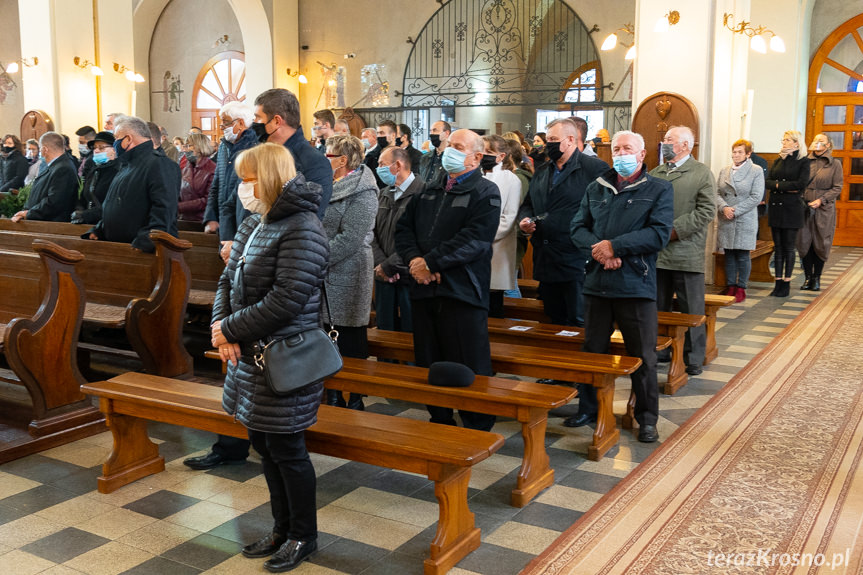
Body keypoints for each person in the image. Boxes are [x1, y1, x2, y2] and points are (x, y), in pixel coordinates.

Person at [211, 142, 328, 572]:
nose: (242, 188)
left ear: (271, 176)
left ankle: (304, 536)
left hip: (285, 356)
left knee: (287, 447)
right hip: (249, 355)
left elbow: (288, 299)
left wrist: (231, 329)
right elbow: (226, 279)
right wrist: (220, 329)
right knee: (262, 441)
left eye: (247, 178)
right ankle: (281, 529)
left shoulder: (303, 226)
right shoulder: (256, 222)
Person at [571, 129, 673, 443]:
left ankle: (646, 418)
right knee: (593, 352)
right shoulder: (597, 186)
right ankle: (588, 408)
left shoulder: (659, 189)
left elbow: (658, 234)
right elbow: (577, 228)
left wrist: (615, 247)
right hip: (598, 283)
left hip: (635, 284)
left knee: (643, 355)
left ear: (642, 154)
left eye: (628, 148)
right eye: (616, 149)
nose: (621, 154)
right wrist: (600, 251)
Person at [394, 128, 500, 432]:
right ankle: (439, 417)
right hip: (424, 290)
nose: (448, 150)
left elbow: (475, 240)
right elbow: (404, 229)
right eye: (448, 144)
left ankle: (477, 424)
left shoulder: (485, 192)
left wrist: (431, 262)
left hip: (462, 291)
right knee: (430, 359)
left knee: (468, 361)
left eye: (457, 146)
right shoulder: (429, 189)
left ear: (476, 157)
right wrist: (416, 262)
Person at [517, 118, 609, 329]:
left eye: (553, 139)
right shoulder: (542, 171)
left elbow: (606, 212)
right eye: (547, 139)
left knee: (578, 321)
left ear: (570, 140)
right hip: (546, 257)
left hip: (577, 258)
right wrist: (525, 219)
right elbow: (529, 203)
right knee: (552, 319)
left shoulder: (594, 169)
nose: (548, 144)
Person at [650, 126, 716, 376]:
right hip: (658, 252)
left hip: (686, 251)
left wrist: (674, 230)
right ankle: (660, 349)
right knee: (658, 306)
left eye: (669, 140)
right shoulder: (656, 173)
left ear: (686, 145)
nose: (663, 143)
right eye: (664, 139)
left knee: (692, 309)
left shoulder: (701, 173)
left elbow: (706, 210)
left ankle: (694, 356)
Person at [320, 135, 378, 409]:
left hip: (349, 269)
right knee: (325, 333)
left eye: (327, 154)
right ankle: (330, 393)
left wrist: (314, 257)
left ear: (342, 160)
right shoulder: (325, 185)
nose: (323, 158)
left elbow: (351, 238)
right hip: (322, 269)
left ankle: (354, 395)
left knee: (347, 332)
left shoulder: (364, 191)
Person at [84, 115, 179, 252]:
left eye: (117, 138)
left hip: (143, 251)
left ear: (128, 139)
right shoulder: (126, 165)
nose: (115, 143)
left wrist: (145, 242)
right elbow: (114, 204)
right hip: (120, 248)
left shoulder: (159, 164)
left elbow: (163, 211)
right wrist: (99, 229)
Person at [252, 88, 333, 218]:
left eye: (257, 117)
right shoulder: (257, 153)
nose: (254, 123)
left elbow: (308, 220)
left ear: (276, 121)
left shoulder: (314, 163)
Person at [372, 146, 423, 334]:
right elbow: (371, 233)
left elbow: (420, 237)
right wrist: (381, 265)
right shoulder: (383, 194)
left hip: (409, 276)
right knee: (385, 332)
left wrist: (391, 265)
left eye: (382, 164)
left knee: (411, 333)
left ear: (398, 165)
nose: (378, 168)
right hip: (383, 277)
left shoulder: (423, 192)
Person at [202, 101, 259, 263]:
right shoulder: (223, 147)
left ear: (240, 123)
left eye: (225, 123)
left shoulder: (256, 148)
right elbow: (217, 183)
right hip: (224, 220)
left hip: (245, 221)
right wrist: (211, 216)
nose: (221, 127)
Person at [715, 139, 765, 302]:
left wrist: (735, 211)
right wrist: (724, 208)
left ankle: (741, 288)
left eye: (740, 152)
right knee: (729, 253)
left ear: (748, 154)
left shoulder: (755, 170)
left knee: (742, 254)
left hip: (744, 217)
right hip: (726, 217)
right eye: (734, 152)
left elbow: (756, 196)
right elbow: (716, 193)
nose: (736, 155)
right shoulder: (725, 170)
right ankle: (730, 286)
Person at [765, 130, 809, 297]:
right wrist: (783, 186)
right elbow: (767, 182)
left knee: (789, 248)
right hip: (776, 208)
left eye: (787, 140)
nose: (783, 142)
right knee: (778, 248)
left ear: (796, 143)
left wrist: (778, 186)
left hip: (792, 210)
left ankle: (786, 283)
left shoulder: (802, 162)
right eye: (783, 139)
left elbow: (800, 184)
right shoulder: (778, 160)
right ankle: (777, 283)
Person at [797, 133, 842, 291]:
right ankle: (807, 277)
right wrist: (802, 198)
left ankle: (817, 278)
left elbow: (837, 187)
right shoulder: (804, 162)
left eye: (821, 141)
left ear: (828, 145)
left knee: (821, 242)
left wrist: (821, 200)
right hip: (804, 207)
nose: (817, 143)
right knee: (804, 242)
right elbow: (799, 183)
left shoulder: (835, 164)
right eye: (815, 140)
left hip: (824, 209)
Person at [481, 134, 521, 317]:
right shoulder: (474, 175)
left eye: (489, 152)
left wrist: (481, 236)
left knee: (493, 299)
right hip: (471, 246)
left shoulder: (511, 180)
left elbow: (509, 217)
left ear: (501, 156)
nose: (483, 155)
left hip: (496, 245)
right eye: (481, 150)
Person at [12, 132, 78, 222]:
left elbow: (54, 201)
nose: (39, 152)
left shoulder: (63, 168)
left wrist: (29, 213)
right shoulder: (54, 165)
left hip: (51, 224)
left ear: (44, 149)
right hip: (41, 220)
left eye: (39, 148)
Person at [72, 131, 118, 225]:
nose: (96, 151)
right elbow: (85, 194)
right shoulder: (94, 170)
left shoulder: (118, 171)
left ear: (114, 149)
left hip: (108, 224)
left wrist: (87, 215)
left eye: (101, 147)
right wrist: (79, 209)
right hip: (89, 223)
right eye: (94, 148)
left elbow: (114, 204)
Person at [179, 133, 216, 222]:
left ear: (199, 147)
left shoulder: (212, 169)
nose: (185, 150)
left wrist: (180, 206)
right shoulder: (187, 167)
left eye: (189, 146)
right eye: (185, 146)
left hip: (202, 219)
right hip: (184, 217)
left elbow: (208, 200)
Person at [364, 120, 397, 189]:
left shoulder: (402, 155)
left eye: (382, 133)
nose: (379, 136)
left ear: (393, 135)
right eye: (378, 133)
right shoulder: (371, 157)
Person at [419, 120, 451, 185]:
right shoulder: (425, 157)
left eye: (435, 130)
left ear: (446, 133)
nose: (432, 134)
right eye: (430, 131)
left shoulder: (452, 159)